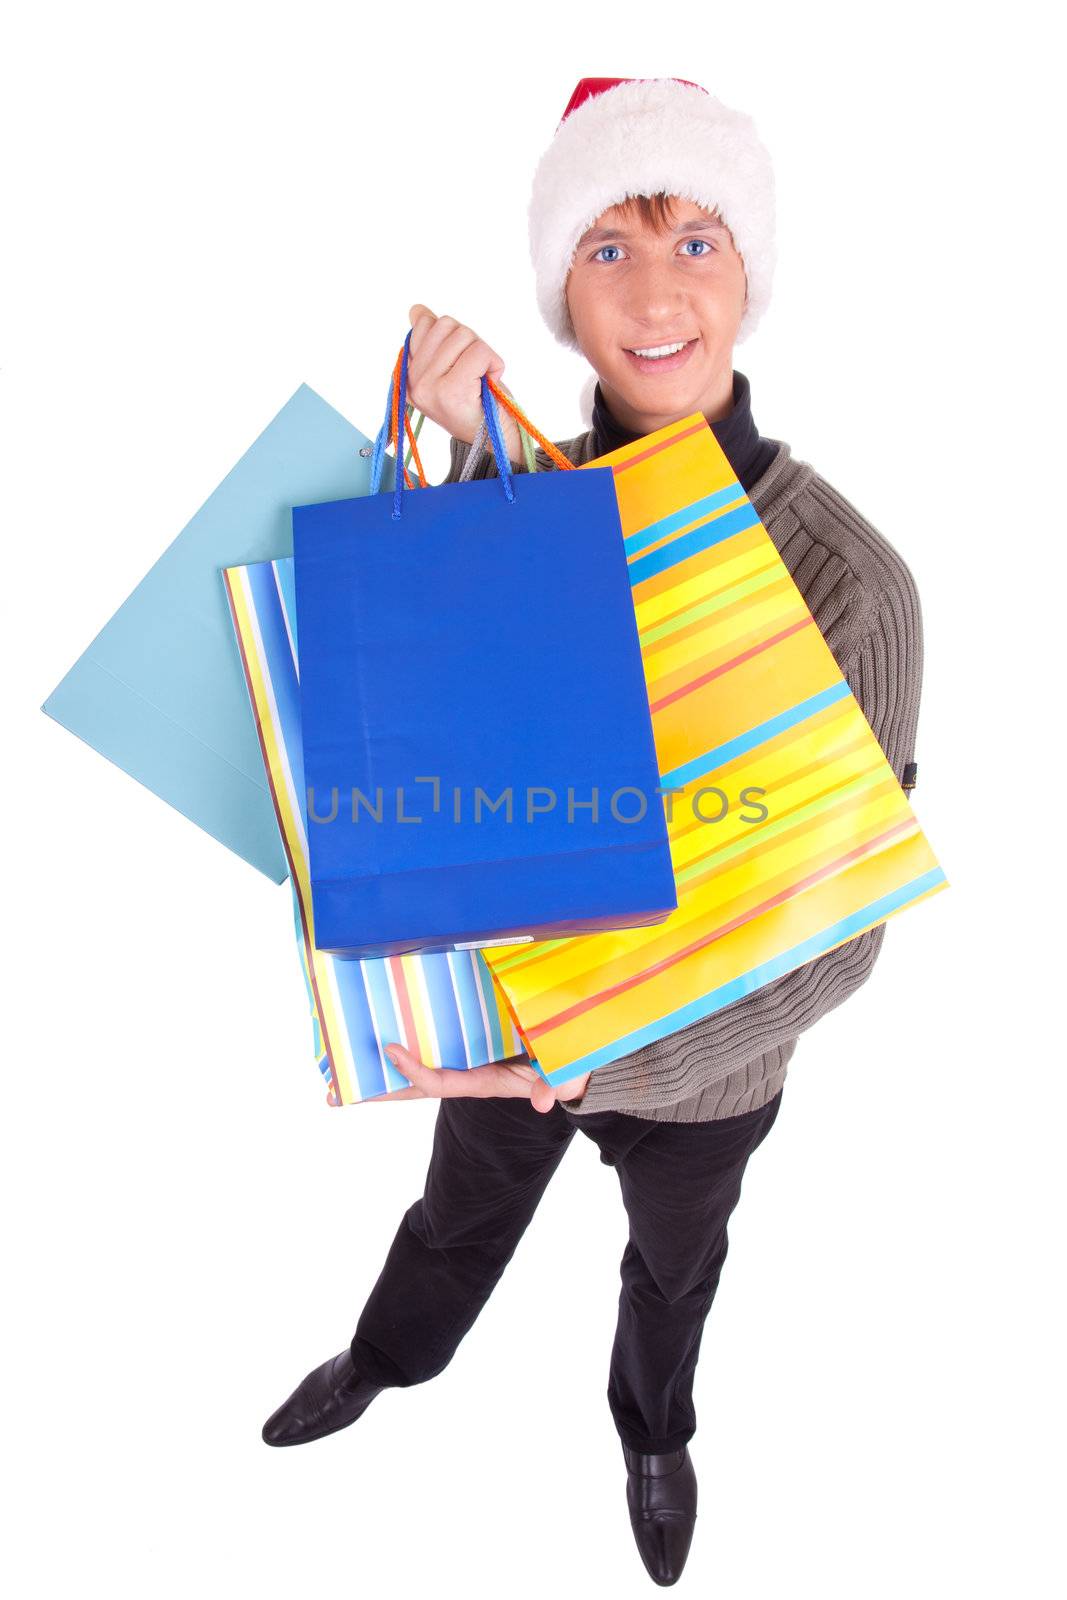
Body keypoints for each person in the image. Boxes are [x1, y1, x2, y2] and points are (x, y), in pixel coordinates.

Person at [261, 77, 924, 1588]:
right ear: (564, 290)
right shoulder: (520, 503)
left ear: (751, 273)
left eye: (696, 238)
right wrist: (443, 471)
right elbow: (444, 721)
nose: (658, 289)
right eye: (610, 250)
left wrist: (600, 1062)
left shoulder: (853, 586)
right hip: (509, 1011)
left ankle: (653, 1430)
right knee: (452, 1219)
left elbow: (843, 939)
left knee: (676, 1272)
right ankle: (385, 1361)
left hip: (702, 1082)